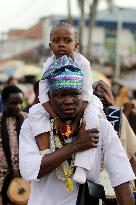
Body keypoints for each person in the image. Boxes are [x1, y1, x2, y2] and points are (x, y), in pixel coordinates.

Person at [19, 66, 135, 205]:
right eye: (60, 95)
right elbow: (29, 170)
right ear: (49, 98)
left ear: (84, 95)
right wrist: (76, 145)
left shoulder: (101, 127)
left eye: (75, 94)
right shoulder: (33, 126)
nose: (68, 101)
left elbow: (121, 180)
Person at [29, 22, 103, 184]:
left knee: (93, 114)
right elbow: (43, 95)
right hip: (57, 108)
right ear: (50, 46)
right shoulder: (47, 65)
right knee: (35, 110)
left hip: (82, 103)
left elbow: (86, 94)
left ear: (76, 45)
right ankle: (45, 154)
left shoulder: (83, 63)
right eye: (56, 41)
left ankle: (82, 166)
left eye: (67, 40)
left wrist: (76, 121)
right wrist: (58, 119)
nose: (61, 44)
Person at [93, 80, 136, 204]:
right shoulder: (117, 114)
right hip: (118, 191)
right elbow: (131, 155)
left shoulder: (81, 118)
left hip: (93, 189)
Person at [0, 85, 28, 205]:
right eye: (13, 103)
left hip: (25, 178)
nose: (18, 107)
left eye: (20, 103)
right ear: (5, 102)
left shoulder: (29, 120)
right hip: (2, 179)